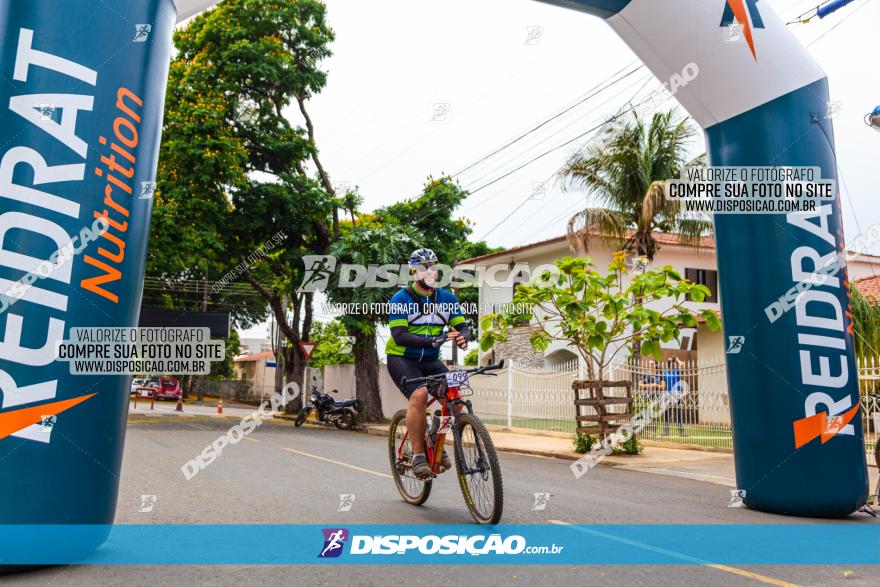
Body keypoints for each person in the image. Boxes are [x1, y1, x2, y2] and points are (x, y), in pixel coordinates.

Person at [386, 248, 470, 479]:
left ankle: (435, 436)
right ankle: (419, 456)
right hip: (402, 358)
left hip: (431, 361)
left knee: (456, 400)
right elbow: (400, 335)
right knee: (420, 396)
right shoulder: (400, 299)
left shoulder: (446, 298)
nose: (430, 271)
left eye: (433, 267)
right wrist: (432, 340)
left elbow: (462, 326)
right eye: (424, 268)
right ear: (414, 272)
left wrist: (464, 336)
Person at [661, 357, 686, 437]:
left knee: (678, 413)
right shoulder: (665, 373)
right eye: (669, 361)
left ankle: (681, 432)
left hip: (677, 395)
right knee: (667, 414)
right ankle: (666, 431)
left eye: (672, 361)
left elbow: (683, 364)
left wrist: (676, 359)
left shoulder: (677, 371)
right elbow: (664, 385)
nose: (671, 363)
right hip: (668, 395)